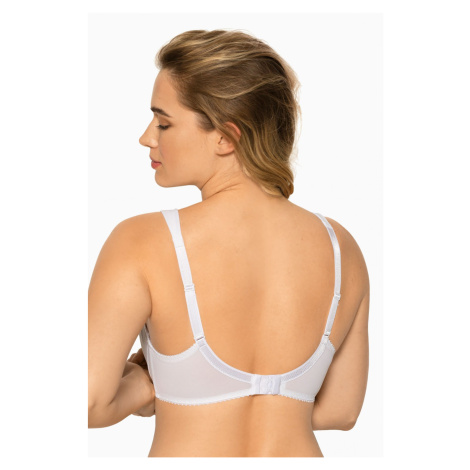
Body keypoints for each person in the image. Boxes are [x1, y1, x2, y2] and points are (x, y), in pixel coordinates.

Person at [88, 29, 370, 457]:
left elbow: (90, 400)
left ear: (225, 136)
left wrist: (145, 386)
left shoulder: (142, 241)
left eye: (164, 122)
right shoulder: (340, 246)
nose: (147, 137)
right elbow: (341, 411)